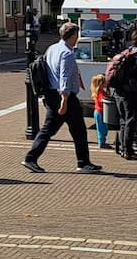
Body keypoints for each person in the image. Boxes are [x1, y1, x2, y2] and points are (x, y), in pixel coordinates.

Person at [22, 23, 101, 175]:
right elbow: (64, 77)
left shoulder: (53, 48)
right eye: (77, 35)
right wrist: (64, 100)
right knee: (69, 129)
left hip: (52, 94)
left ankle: (82, 161)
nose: (78, 38)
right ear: (72, 37)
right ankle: (32, 158)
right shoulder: (67, 54)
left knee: (62, 129)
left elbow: (47, 70)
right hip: (64, 96)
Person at [106, 29, 137, 160]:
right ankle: (128, 150)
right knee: (131, 119)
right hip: (130, 91)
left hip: (118, 90)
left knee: (123, 120)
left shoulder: (127, 51)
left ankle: (124, 148)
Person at [91, 74, 111, 149]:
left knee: (103, 128)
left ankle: (102, 141)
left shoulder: (99, 91)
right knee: (101, 128)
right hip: (100, 112)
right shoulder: (100, 92)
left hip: (99, 112)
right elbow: (102, 100)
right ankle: (101, 142)